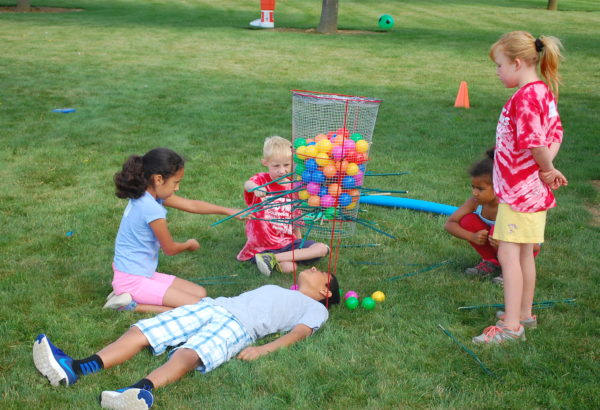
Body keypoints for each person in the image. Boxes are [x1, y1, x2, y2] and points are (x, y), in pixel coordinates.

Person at [33, 267, 340, 410]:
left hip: (239, 328)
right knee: (143, 331)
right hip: (213, 306)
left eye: (320, 272)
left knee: (190, 354)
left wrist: (263, 350)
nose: (313, 268)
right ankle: (76, 367)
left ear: (325, 291)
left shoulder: (317, 309)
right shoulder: (284, 290)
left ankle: (138, 393)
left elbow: (299, 333)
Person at [472, 31, 568, 344]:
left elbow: (536, 142)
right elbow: (556, 134)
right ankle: (524, 313)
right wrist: (546, 168)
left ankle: (512, 327)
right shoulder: (542, 92)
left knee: (509, 255)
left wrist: (547, 168)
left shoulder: (526, 98)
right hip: (531, 193)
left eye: (499, 65)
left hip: (520, 194)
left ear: (516, 63)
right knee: (525, 253)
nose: (497, 72)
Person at [105, 148, 242, 313]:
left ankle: (124, 294)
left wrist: (228, 211)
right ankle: (129, 305)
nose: (177, 188)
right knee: (198, 307)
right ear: (158, 179)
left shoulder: (147, 195)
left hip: (139, 273)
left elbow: (191, 205)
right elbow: (169, 249)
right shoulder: (151, 209)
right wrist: (189, 244)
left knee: (200, 293)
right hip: (133, 280)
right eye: (175, 182)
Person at [444, 149, 540, 284]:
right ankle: (491, 262)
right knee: (467, 220)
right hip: (497, 246)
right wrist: (472, 236)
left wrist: (507, 245)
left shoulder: (511, 208)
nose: (474, 193)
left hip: (520, 251)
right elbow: (450, 224)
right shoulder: (474, 202)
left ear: (499, 187)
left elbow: (535, 247)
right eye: (473, 187)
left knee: (498, 228)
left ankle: (511, 269)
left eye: (480, 189)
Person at [237, 136, 329, 276]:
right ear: (265, 162)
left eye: (286, 165)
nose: (282, 171)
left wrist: (299, 242)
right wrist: (256, 188)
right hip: (262, 246)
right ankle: (270, 257)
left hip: (286, 243)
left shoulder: (293, 187)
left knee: (322, 248)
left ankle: (272, 259)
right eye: (276, 166)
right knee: (289, 268)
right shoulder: (261, 180)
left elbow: (295, 221)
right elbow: (247, 184)